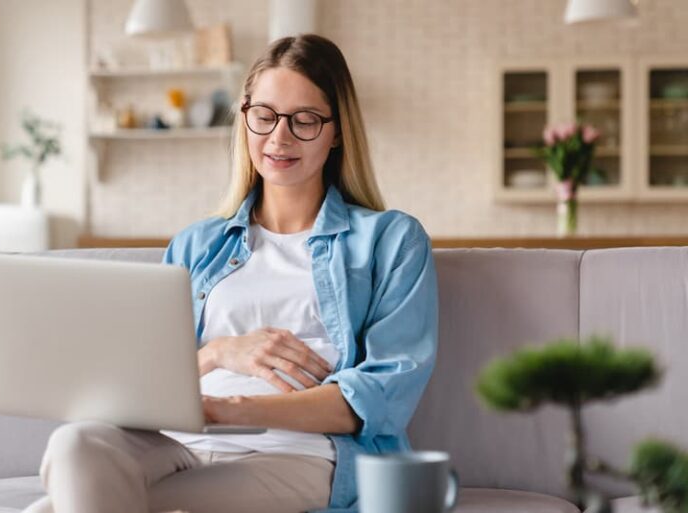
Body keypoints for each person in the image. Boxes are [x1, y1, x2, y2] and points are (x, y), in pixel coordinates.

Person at [24, 34, 438, 513]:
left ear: (338, 131)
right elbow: (142, 374)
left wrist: (232, 410)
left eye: (304, 121)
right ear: (244, 117)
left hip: (300, 452)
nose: (278, 138)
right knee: (76, 445)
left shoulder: (390, 240)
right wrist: (219, 353)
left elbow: (381, 397)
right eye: (263, 116)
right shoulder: (197, 244)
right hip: (178, 443)